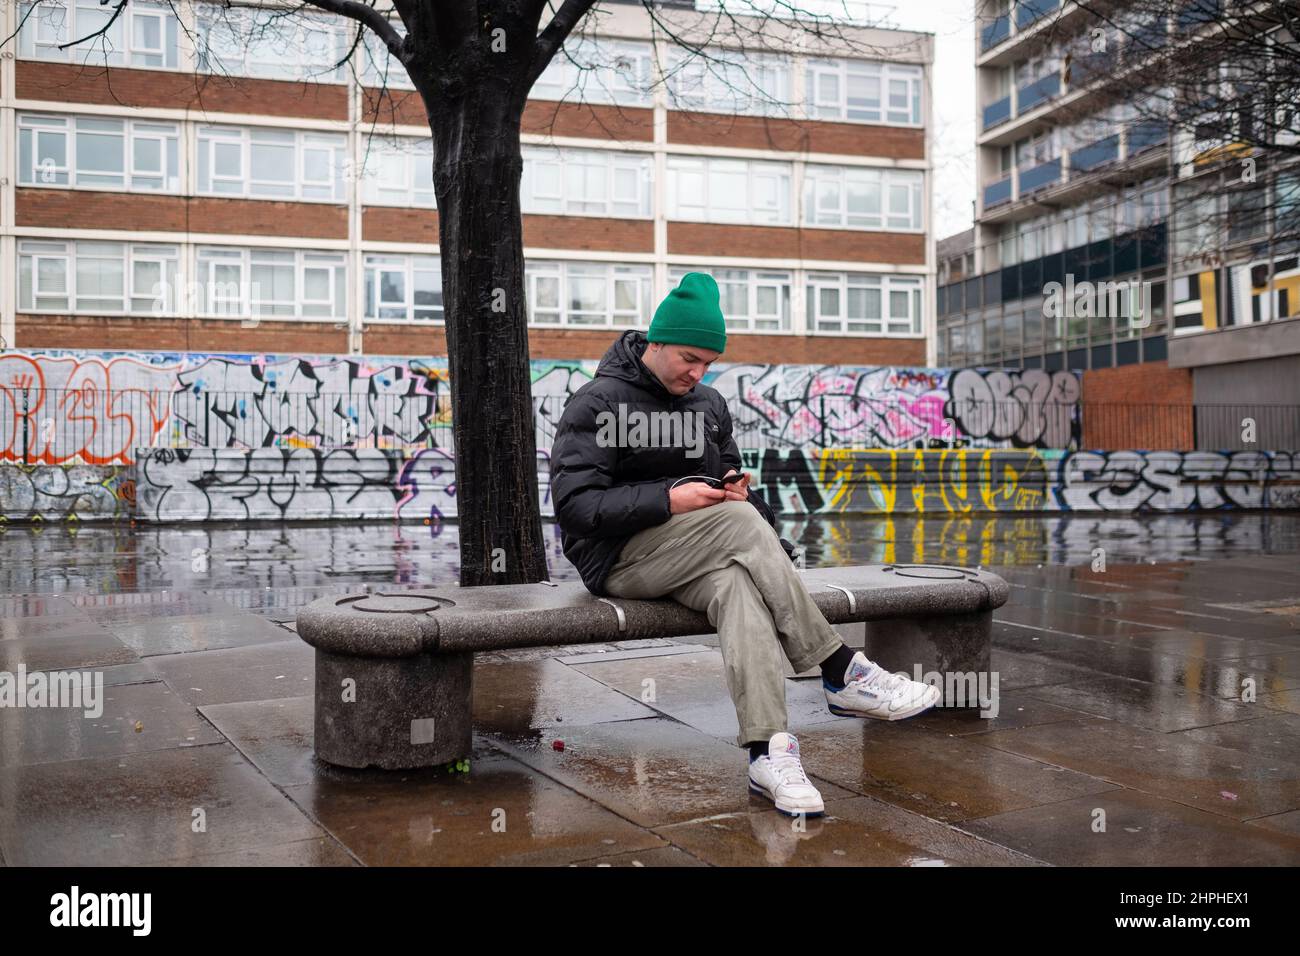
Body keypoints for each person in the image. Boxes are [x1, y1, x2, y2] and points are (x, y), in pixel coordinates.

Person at [549, 272, 940, 816]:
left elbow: (736, 498)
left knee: (739, 587)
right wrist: (669, 499)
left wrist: (738, 494)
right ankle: (838, 668)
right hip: (618, 559)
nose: (698, 371)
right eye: (689, 357)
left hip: (699, 553)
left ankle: (768, 752)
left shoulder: (707, 406)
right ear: (655, 342)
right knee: (738, 528)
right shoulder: (597, 403)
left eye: (708, 362)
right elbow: (575, 509)